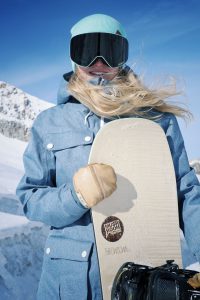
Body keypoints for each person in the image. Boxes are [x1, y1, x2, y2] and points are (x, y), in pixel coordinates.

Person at [16, 13, 200, 300]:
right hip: (68, 281)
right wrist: (75, 195)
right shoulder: (49, 123)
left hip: (143, 275)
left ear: (122, 58)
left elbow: (185, 191)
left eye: (110, 51)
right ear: (72, 58)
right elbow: (30, 199)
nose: (98, 63)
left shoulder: (155, 119)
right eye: (87, 51)